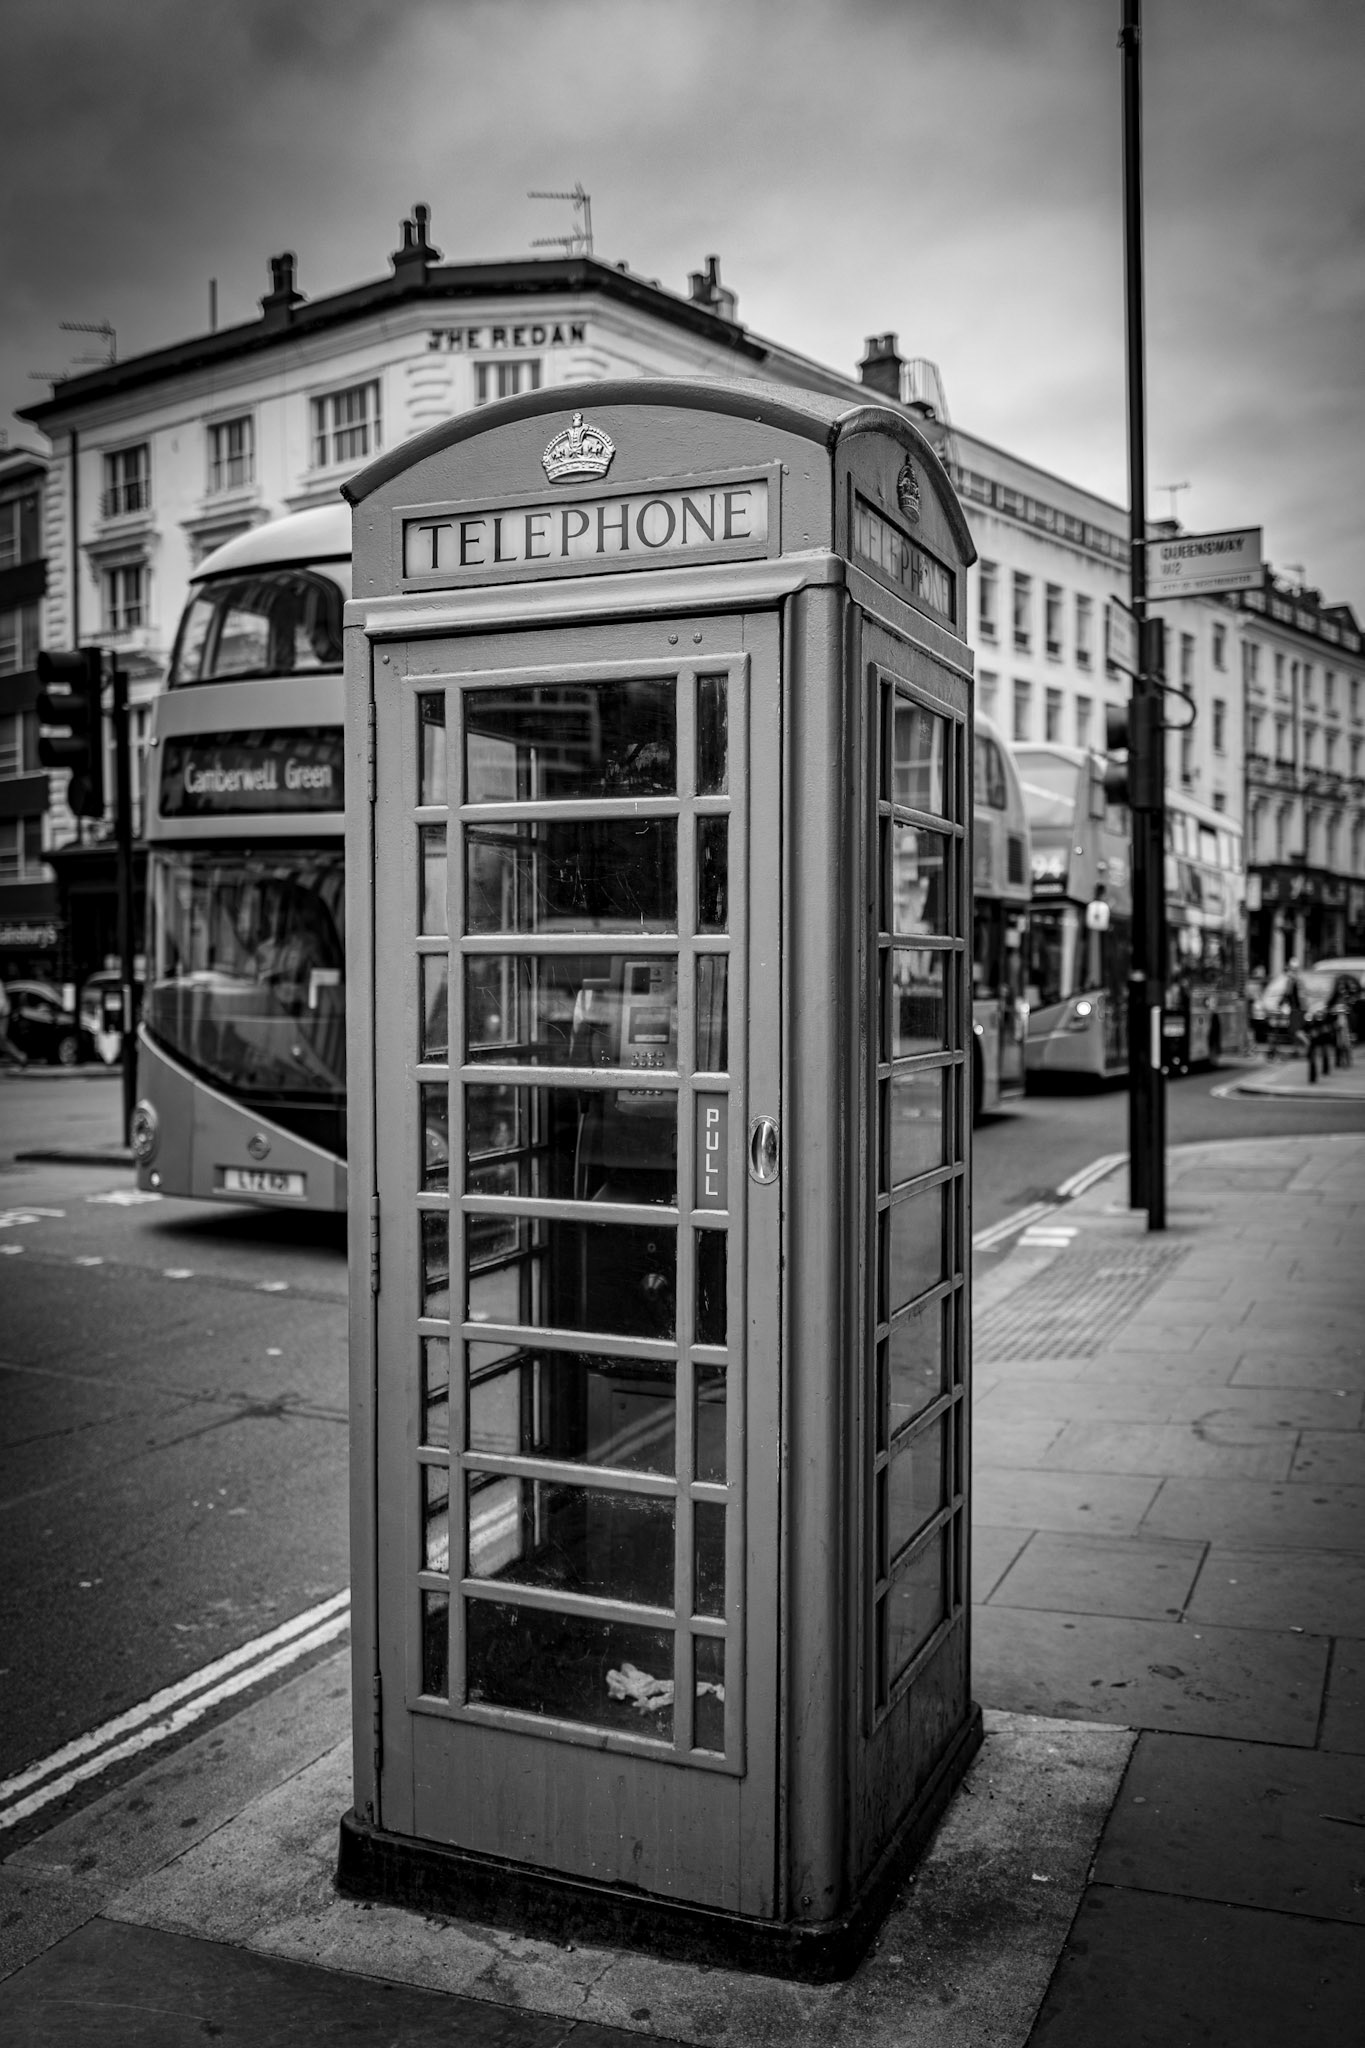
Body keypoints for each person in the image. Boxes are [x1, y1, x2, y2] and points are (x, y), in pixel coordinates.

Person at [0, 979, 27, 1068]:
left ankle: (20, 1057)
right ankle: (20, 1057)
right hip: (3, 1012)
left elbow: (2, 1002)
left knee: (2, 1039)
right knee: (2, 1039)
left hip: (2, 1013)